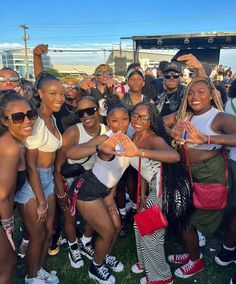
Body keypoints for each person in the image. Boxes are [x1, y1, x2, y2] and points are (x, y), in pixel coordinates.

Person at [66, 98, 151, 284]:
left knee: (117, 228)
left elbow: (117, 172)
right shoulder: (106, 138)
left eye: (124, 119)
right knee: (107, 232)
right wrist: (98, 147)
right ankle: (95, 268)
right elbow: (71, 153)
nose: (120, 124)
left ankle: (102, 257)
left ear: (129, 119)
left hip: (105, 191)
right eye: (114, 121)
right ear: (108, 122)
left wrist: (111, 196)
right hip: (87, 191)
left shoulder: (132, 137)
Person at [164, 77, 236, 279]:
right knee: (182, 218)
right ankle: (191, 251)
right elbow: (160, 122)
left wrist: (207, 139)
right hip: (187, 175)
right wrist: (172, 132)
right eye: (191, 93)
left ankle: (196, 260)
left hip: (209, 176)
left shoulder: (219, 117)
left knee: (187, 222)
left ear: (211, 95)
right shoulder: (185, 116)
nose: (195, 97)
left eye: (201, 92)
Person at [15, 72, 65, 283]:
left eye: (61, 93)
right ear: (41, 93)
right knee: (37, 235)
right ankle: (31, 276)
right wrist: (42, 201)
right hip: (32, 184)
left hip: (48, 181)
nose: (59, 98)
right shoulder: (36, 122)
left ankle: (40, 269)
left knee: (47, 231)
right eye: (53, 93)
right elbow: (31, 166)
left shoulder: (51, 117)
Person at [54, 96, 108, 268]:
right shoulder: (73, 132)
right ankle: (73, 246)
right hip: (71, 178)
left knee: (91, 217)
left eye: (90, 111)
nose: (86, 116)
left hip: (92, 179)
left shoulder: (106, 130)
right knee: (70, 215)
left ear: (97, 110)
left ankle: (85, 242)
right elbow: (58, 166)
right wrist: (60, 191)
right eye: (81, 113)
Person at [129, 102, 180, 284]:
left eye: (144, 117)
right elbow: (142, 168)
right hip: (152, 188)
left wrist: (140, 151)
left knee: (152, 235)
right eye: (135, 115)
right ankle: (145, 263)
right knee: (139, 225)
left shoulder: (153, 139)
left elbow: (174, 157)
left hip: (164, 190)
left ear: (151, 120)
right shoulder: (134, 136)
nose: (138, 120)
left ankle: (162, 277)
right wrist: (142, 195)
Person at [0, 90, 36, 284]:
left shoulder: (17, 142)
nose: (27, 121)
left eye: (30, 114)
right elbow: (3, 195)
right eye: (18, 117)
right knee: (7, 264)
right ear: (5, 121)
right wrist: (8, 228)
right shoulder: (10, 147)